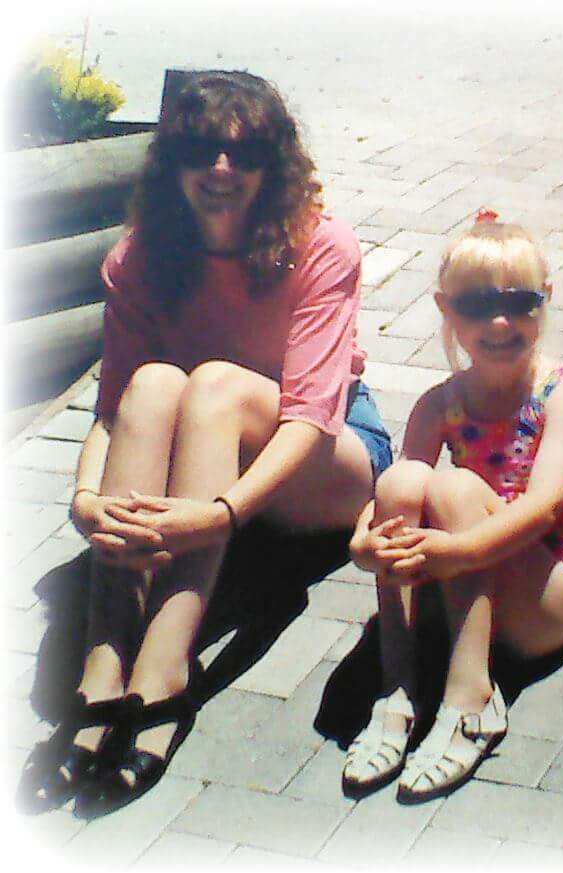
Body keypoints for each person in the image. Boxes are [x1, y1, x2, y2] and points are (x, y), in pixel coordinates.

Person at [18, 71, 392, 818]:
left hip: (328, 456)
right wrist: (85, 497)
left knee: (214, 383)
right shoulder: (137, 260)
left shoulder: (320, 245)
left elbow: (311, 419)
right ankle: (105, 659)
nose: (221, 169)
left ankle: (165, 670)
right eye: (199, 149)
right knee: (157, 383)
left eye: (245, 151)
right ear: (170, 161)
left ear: (274, 162)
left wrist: (219, 516)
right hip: (209, 442)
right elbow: (113, 409)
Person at [344, 212, 563, 802]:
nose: (499, 321)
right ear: (446, 309)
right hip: (461, 584)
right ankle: (398, 688)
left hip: (543, 597)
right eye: (476, 305)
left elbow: (542, 510)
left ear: (546, 301)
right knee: (408, 479)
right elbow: (390, 497)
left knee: (455, 489)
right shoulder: (439, 403)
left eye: (519, 302)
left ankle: (473, 702)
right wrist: (363, 541)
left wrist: (456, 550)